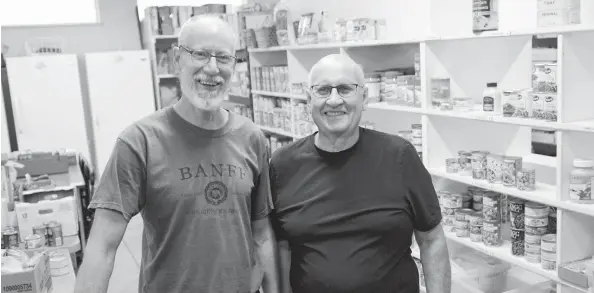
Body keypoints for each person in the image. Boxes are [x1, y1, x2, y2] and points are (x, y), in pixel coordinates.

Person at [74, 15, 279, 293]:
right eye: (200, 54)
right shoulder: (140, 141)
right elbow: (102, 248)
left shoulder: (252, 138)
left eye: (224, 58)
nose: (212, 68)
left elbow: (262, 234)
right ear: (176, 59)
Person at [269, 54, 451, 293]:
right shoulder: (283, 165)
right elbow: (283, 248)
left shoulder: (399, 157)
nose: (334, 100)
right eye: (323, 90)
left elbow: (432, 240)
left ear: (364, 97)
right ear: (308, 99)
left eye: (345, 89)